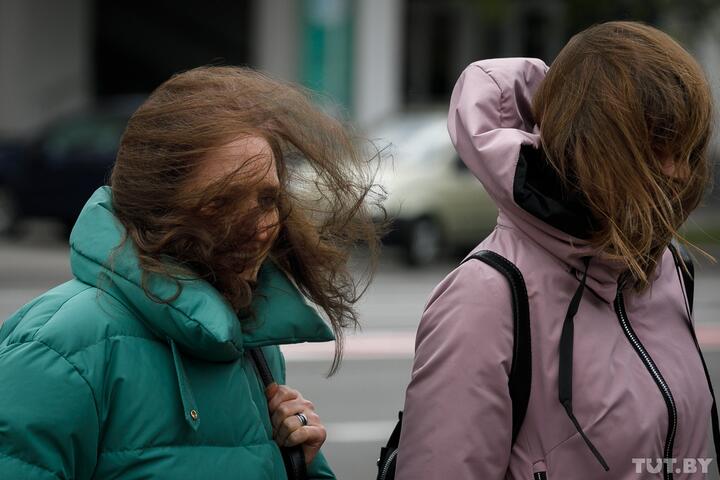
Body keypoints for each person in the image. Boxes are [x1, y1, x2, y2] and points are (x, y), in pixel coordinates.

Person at [0, 66, 382, 479]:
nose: (259, 227)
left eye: (268, 198)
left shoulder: (250, 341)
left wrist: (298, 465)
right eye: (224, 201)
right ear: (158, 205)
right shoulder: (61, 347)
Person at [396, 21, 716, 479]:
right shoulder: (486, 297)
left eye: (686, 149)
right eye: (659, 145)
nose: (680, 173)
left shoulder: (664, 270)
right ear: (592, 147)